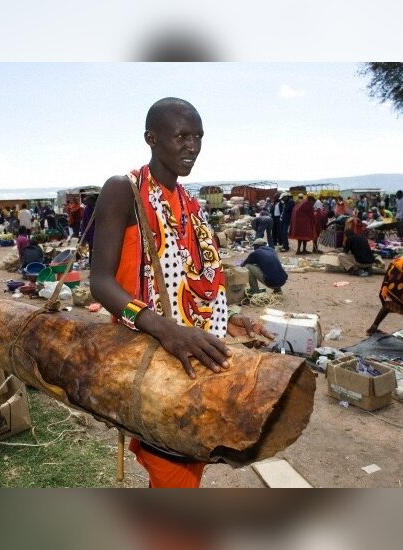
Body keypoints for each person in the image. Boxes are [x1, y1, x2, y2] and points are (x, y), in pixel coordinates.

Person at [90, 97, 271, 489]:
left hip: (192, 353)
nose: (192, 146)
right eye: (182, 136)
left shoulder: (191, 203)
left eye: (198, 137)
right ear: (151, 138)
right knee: (173, 470)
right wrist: (165, 328)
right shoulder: (124, 190)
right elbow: (100, 282)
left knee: (189, 461)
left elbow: (193, 279)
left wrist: (227, 317)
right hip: (150, 353)